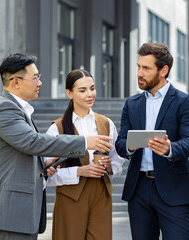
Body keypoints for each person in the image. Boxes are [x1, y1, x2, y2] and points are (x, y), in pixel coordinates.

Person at [0, 53, 113, 240]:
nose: (40, 83)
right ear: (16, 82)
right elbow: (33, 142)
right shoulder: (4, 109)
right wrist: (84, 141)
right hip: (12, 213)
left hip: (21, 213)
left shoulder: (19, 110)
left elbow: (24, 151)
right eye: (35, 78)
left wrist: (45, 166)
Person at [115, 43, 189, 240]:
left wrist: (170, 148)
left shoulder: (184, 101)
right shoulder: (131, 103)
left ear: (164, 71)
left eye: (146, 68)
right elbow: (120, 142)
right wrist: (128, 146)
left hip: (173, 188)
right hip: (139, 189)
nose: (139, 73)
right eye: (138, 67)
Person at [46, 69, 125, 240]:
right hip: (70, 196)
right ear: (69, 93)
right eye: (82, 90)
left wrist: (109, 166)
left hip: (101, 194)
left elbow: (118, 163)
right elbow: (47, 175)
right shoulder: (57, 128)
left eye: (92, 88)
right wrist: (80, 171)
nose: (90, 94)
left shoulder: (106, 123)